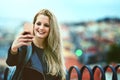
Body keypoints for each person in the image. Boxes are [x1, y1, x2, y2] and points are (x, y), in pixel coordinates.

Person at [6, 9, 66, 80]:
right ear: (34, 25)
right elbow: (11, 62)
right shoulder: (25, 46)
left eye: (46, 25)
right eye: (38, 24)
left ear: (52, 29)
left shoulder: (54, 51)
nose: (41, 28)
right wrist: (13, 49)